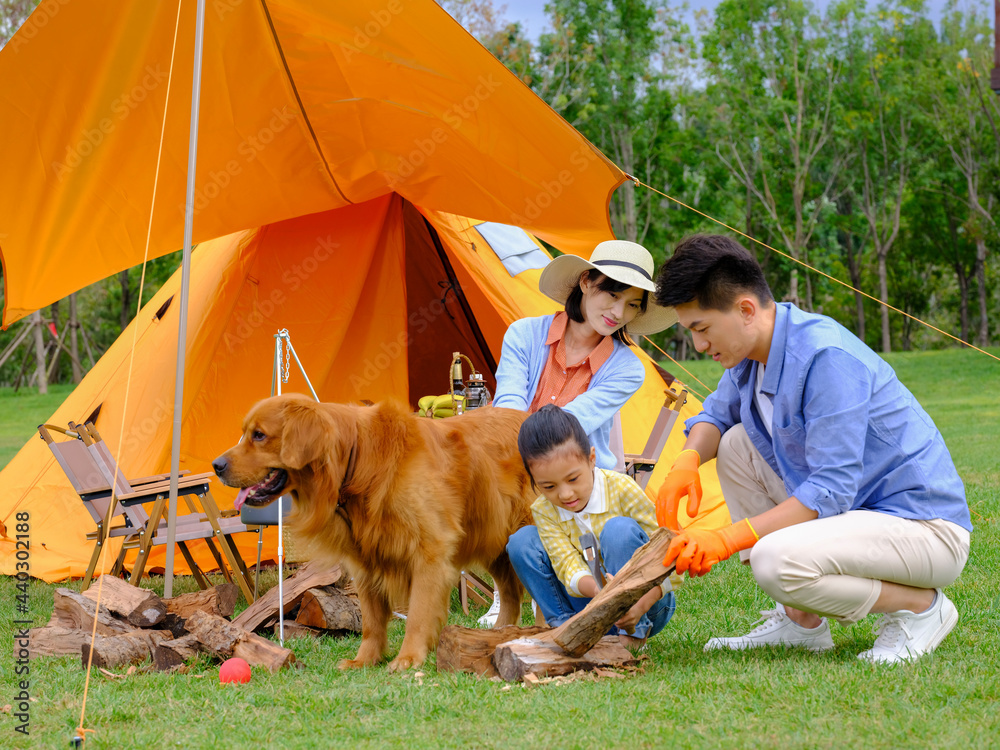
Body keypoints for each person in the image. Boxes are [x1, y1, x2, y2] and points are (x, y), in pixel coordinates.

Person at [653, 234, 971, 664]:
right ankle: (800, 622)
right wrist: (686, 462)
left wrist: (730, 537)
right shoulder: (751, 351)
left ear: (746, 309)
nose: (699, 346)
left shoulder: (824, 356)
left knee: (773, 559)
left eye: (701, 328)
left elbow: (832, 488)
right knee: (734, 445)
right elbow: (716, 414)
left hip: (923, 529)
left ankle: (920, 608)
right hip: (858, 519)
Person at [477, 239, 677, 625]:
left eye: (633, 304)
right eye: (612, 294)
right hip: (521, 474)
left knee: (559, 489)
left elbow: (570, 425)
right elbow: (508, 411)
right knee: (499, 488)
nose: (619, 312)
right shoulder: (523, 335)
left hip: (581, 491)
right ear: (586, 282)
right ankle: (528, 605)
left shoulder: (626, 368)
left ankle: (622, 613)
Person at [506, 405, 677, 650]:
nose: (565, 494)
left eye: (573, 479)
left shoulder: (621, 489)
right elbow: (565, 563)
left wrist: (635, 603)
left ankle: (632, 637)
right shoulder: (544, 509)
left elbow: (669, 556)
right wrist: (601, 593)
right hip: (588, 605)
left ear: (592, 459)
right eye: (548, 487)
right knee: (522, 542)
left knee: (618, 530)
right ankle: (565, 629)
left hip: (646, 604)